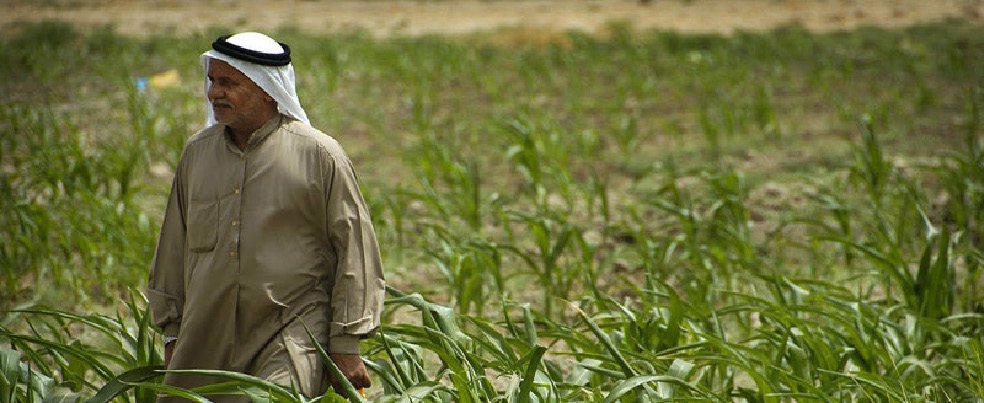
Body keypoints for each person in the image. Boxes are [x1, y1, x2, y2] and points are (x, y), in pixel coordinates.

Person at [147, 32, 386, 401]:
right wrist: (173, 332)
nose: (214, 93)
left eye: (229, 83)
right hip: (206, 333)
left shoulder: (319, 155)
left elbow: (355, 251)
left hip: (291, 331)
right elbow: (173, 249)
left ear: (267, 89)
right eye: (212, 81)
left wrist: (345, 341)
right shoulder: (197, 155)